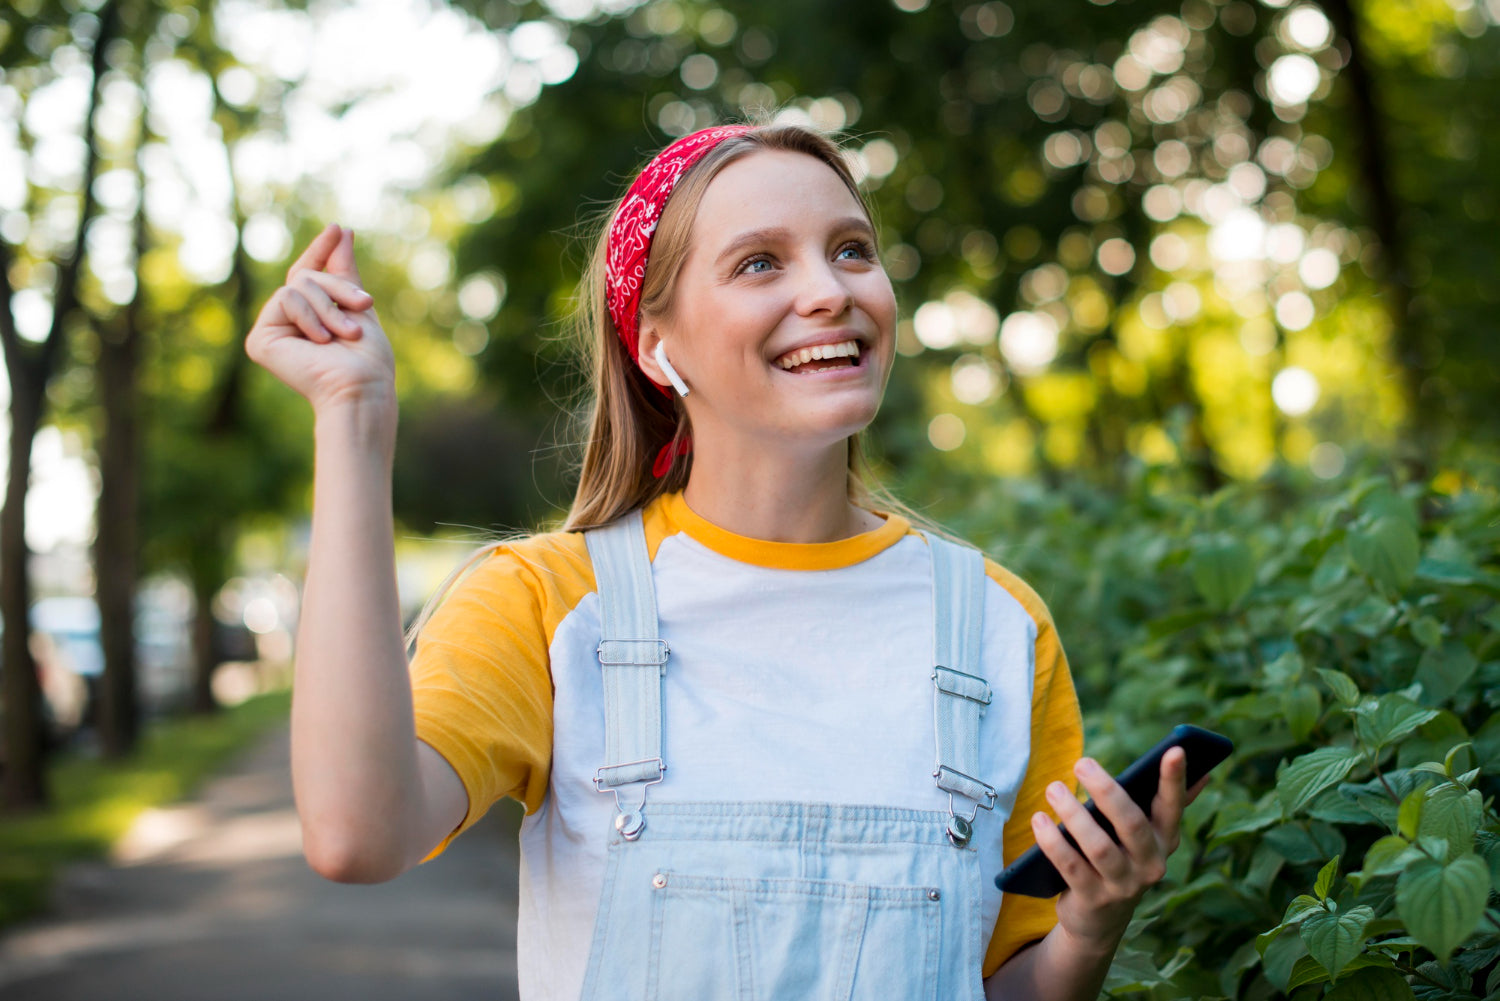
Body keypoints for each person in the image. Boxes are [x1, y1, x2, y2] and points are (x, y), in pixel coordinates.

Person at [245, 122, 1207, 1001]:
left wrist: (1087, 926)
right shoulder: (549, 603)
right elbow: (357, 833)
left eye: (852, 250)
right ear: (658, 347)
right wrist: (354, 422)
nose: (831, 289)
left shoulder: (995, 622)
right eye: (759, 263)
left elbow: (994, 984)